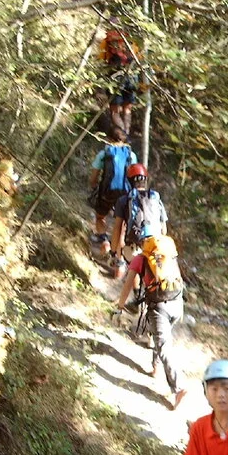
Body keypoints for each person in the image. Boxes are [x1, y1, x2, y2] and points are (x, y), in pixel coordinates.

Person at [114, 235, 186, 403]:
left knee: (163, 345)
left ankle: (179, 387)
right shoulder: (168, 254)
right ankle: (156, 367)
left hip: (159, 306)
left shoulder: (140, 259)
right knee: (160, 337)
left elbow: (127, 285)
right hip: (177, 303)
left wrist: (119, 308)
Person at [87, 128, 137, 259]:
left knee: (100, 217)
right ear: (124, 140)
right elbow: (134, 177)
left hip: (106, 192)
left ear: (109, 139)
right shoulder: (131, 155)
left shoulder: (104, 154)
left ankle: (104, 241)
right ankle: (118, 260)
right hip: (125, 194)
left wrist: (94, 187)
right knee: (121, 224)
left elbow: (93, 178)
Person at [110, 162, 167, 276]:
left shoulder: (123, 200)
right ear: (145, 180)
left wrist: (113, 253)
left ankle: (134, 289)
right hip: (154, 246)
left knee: (133, 261)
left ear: (129, 181)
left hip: (134, 248)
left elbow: (117, 229)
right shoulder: (155, 198)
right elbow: (164, 230)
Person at [100, 27, 140, 136]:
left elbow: (102, 58)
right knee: (127, 109)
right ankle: (126, 133)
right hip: (131, 75)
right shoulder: (131, 40)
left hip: (114, 75)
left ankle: (121, 137)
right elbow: (138, 57)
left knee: (115, 110)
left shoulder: (107, 41)